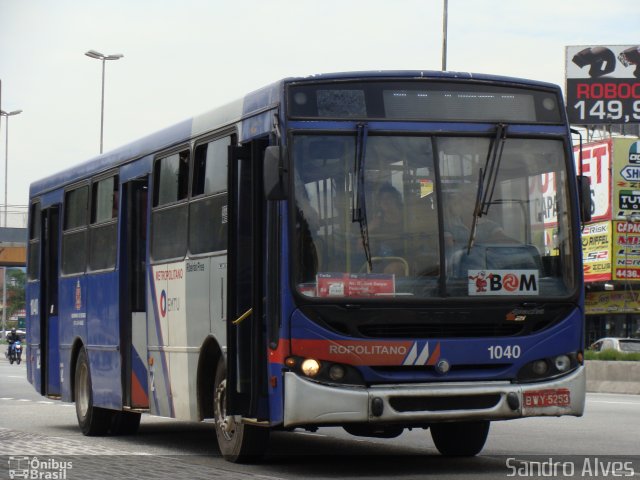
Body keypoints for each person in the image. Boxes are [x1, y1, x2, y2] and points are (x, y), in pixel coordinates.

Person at [368, 184, 407, 275]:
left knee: (395, 269)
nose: (385, 201)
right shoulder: (376, 222)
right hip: (383, 261)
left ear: (396, 199)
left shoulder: (408, 219)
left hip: (408, 257)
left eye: (389, 198)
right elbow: (360, 245)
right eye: (382, 199)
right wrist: (369, 229)